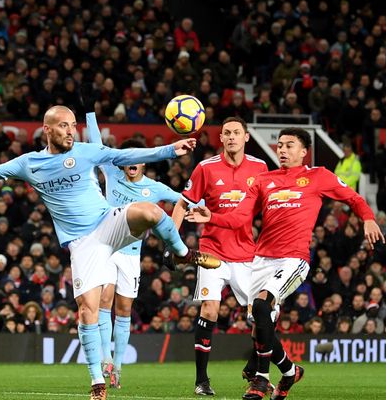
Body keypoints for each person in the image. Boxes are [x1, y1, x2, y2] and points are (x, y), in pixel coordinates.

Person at [0, 105, 218, 400]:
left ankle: (181, 253)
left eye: (73, 125)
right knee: (88, 310)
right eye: (63, 126)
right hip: (82, 243)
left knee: (151, 211)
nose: (70, 131)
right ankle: (97, 382)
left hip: (107, 222)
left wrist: (169, 150)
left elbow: (125, 155)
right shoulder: (30, 163)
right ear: (47, 129)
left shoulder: (86, 151)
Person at [186, 127, 384, 400]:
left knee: (261, 307)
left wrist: (368, 218)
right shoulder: (263, 180)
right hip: (261, 260)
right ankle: (290, 371)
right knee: (260, 323)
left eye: (289, 145)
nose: (282, 150)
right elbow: (240, 218)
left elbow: (353, 197)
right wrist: (213, 217)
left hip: (293, 259)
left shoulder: (318, 176)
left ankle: (261, 380)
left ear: (304, 152)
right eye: (279, 145)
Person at [169, 117, 268, 396]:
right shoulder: (206, 167)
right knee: (210, 309)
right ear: (221, 138)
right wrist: (171, 241)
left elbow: (267, 207)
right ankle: (201, 380)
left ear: (246, 137)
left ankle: (253, 366)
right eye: (227, 133)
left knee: (261, 313)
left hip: (246, 252)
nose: (232, 137)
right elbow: (182, 204)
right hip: (212, 251)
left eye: (237, 132)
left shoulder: (260, 168)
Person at [86, 112, 182, 389]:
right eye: (127, 158)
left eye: (137, 159)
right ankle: (105, 359)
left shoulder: (154, 188)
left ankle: (117, 367)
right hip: (107, 247)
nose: (132, 163)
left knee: (124, 308)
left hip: (131, 254)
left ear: (143, 162)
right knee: (104, 300)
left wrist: (202, 205)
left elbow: (184, 200)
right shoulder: (112, 172)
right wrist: (90, 113)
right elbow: (96, 144)